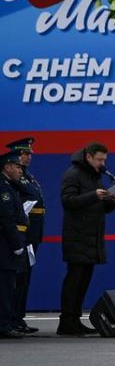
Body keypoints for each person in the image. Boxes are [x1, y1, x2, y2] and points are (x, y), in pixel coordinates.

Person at [58, 142, 115, 336]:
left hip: (92, 236)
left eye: (104, 160)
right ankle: (66, 321)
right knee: (74, 280)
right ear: (89, 157)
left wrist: (113, 202)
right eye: (100, 160)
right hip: (77, 236)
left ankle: (74, 320)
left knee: (83, 280)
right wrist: (93, 195)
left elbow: (99, 207)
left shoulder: (95, 176)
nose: (102, 164)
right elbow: (67, 201)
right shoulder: (73, 174)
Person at [6, 138, 44, 334]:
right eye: (25, 154)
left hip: (32, 232)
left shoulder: (28, 177)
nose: (28, 157)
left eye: (30, 154)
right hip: (20, 233)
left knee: (24, 278)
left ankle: (18, 317)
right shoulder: (15, 180)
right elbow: (31, 196)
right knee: (16, 278)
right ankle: (11, 318)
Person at [0, 150, 31, 339]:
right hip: (6, 245)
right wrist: (17, 244)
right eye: (17, 166)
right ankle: (4, 324)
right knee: (5, 286)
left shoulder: (10, 186)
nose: (21, 170)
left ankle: (8, 321)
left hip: (11, 242)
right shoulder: (3, 189)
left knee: (9, 285)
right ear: (7, 167)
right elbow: (6, 219)